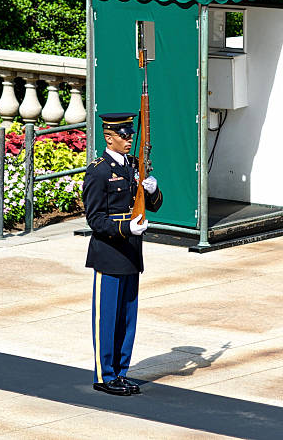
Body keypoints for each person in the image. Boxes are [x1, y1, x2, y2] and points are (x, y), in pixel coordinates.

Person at [82, 112, 162, 397]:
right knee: (107, 319)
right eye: (123, 136)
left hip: (131, 253)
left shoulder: (133, 165)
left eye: (130, 136)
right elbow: (95, 219)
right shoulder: (98, 171)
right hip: (109, 253)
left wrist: (152, 190)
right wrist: (126, 227)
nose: (129, 141)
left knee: (128, 318)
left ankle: (121, 372)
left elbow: (152, 205)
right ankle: (105, 375)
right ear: (109, 137)